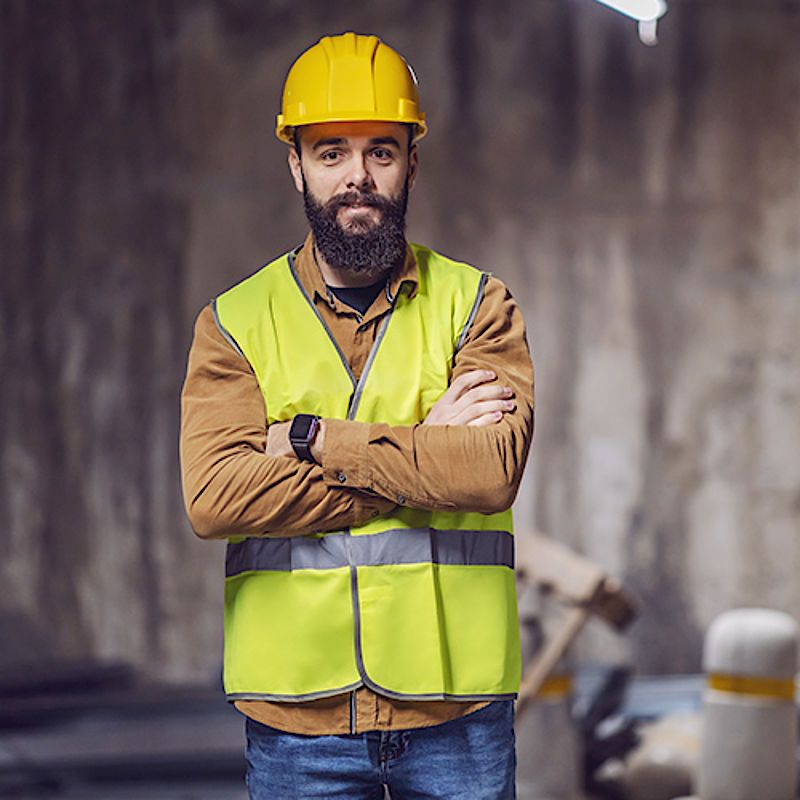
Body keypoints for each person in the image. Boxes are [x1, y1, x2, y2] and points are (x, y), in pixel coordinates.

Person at [180, 31, 534, 800]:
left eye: (381, 150)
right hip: (296, 718)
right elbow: (216, 500)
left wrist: (309, 439)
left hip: (458, 712)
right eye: (331, 151)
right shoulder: (235, 321)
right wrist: (424, 450)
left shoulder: (478, 305)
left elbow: (489, 472)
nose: (358, 176)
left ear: (412, 162)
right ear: (295, 165)